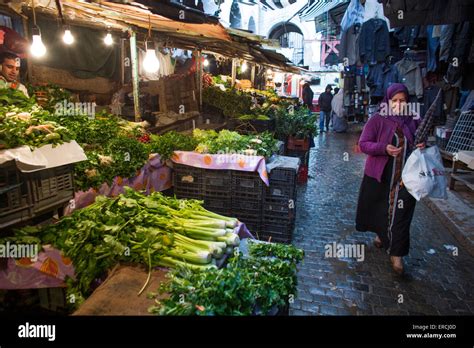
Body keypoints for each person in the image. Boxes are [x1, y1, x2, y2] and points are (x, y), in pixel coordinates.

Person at [355, 83, 425, 275]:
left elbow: (419, 141)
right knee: (381, 209)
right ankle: (381, 234)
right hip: (382, 175)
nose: (399, 104)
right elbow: (363, 144)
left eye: (403, 101)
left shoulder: (413, 119)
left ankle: (397, 255)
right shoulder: (378, 119)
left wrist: (421, 145)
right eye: (395, 101)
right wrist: (383, 148)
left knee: (402, 215)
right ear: (388, 101)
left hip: (407, 178)